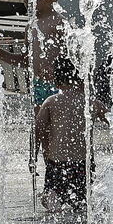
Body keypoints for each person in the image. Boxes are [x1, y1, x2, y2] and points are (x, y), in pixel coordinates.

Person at [0, 0, 66, 112]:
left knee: (58, 130)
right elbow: (27, 60)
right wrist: (0, 53)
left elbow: (75, 58)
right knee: (38, 129)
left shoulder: (59, 23)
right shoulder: (31, 25)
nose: (26, 0)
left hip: (59, 87)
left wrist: (57, 71)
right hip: (38, 85)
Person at [35, 56, 87, 212]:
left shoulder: (50, 102)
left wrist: (32, 158)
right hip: (82, 165)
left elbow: (38, 131)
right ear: (80, 79)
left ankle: (52, 200)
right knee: (81, 202)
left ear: (56, 82)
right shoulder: (89, 102)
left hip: (57, 164)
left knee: (51, 199)